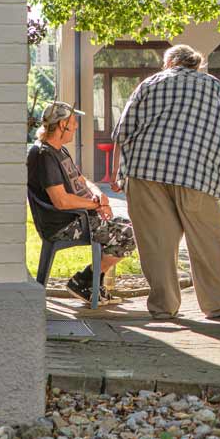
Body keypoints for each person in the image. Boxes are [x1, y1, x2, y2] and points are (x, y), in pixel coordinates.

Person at [111, 44, 220, 321]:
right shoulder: (214, 86)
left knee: (157, 243)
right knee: (207, 241)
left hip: (146, 170)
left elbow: (123, 131)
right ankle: (216, 305)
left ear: (170, 63)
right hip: (199, 172)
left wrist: (117, 173)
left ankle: (164, 307)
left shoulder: (149, 84)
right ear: (195, 64)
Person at [27, 102, 136, 306]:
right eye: (73, 122)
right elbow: (61, 201)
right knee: (130, 234)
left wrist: (98, 195)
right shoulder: (44, 155)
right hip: (64, 224)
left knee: (127, 226)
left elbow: (81, 180)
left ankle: (91, 283)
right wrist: (95, 206)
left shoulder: (59, 151)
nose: (76, 127)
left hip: (78, 217)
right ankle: (85, 281)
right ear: (61, 125)